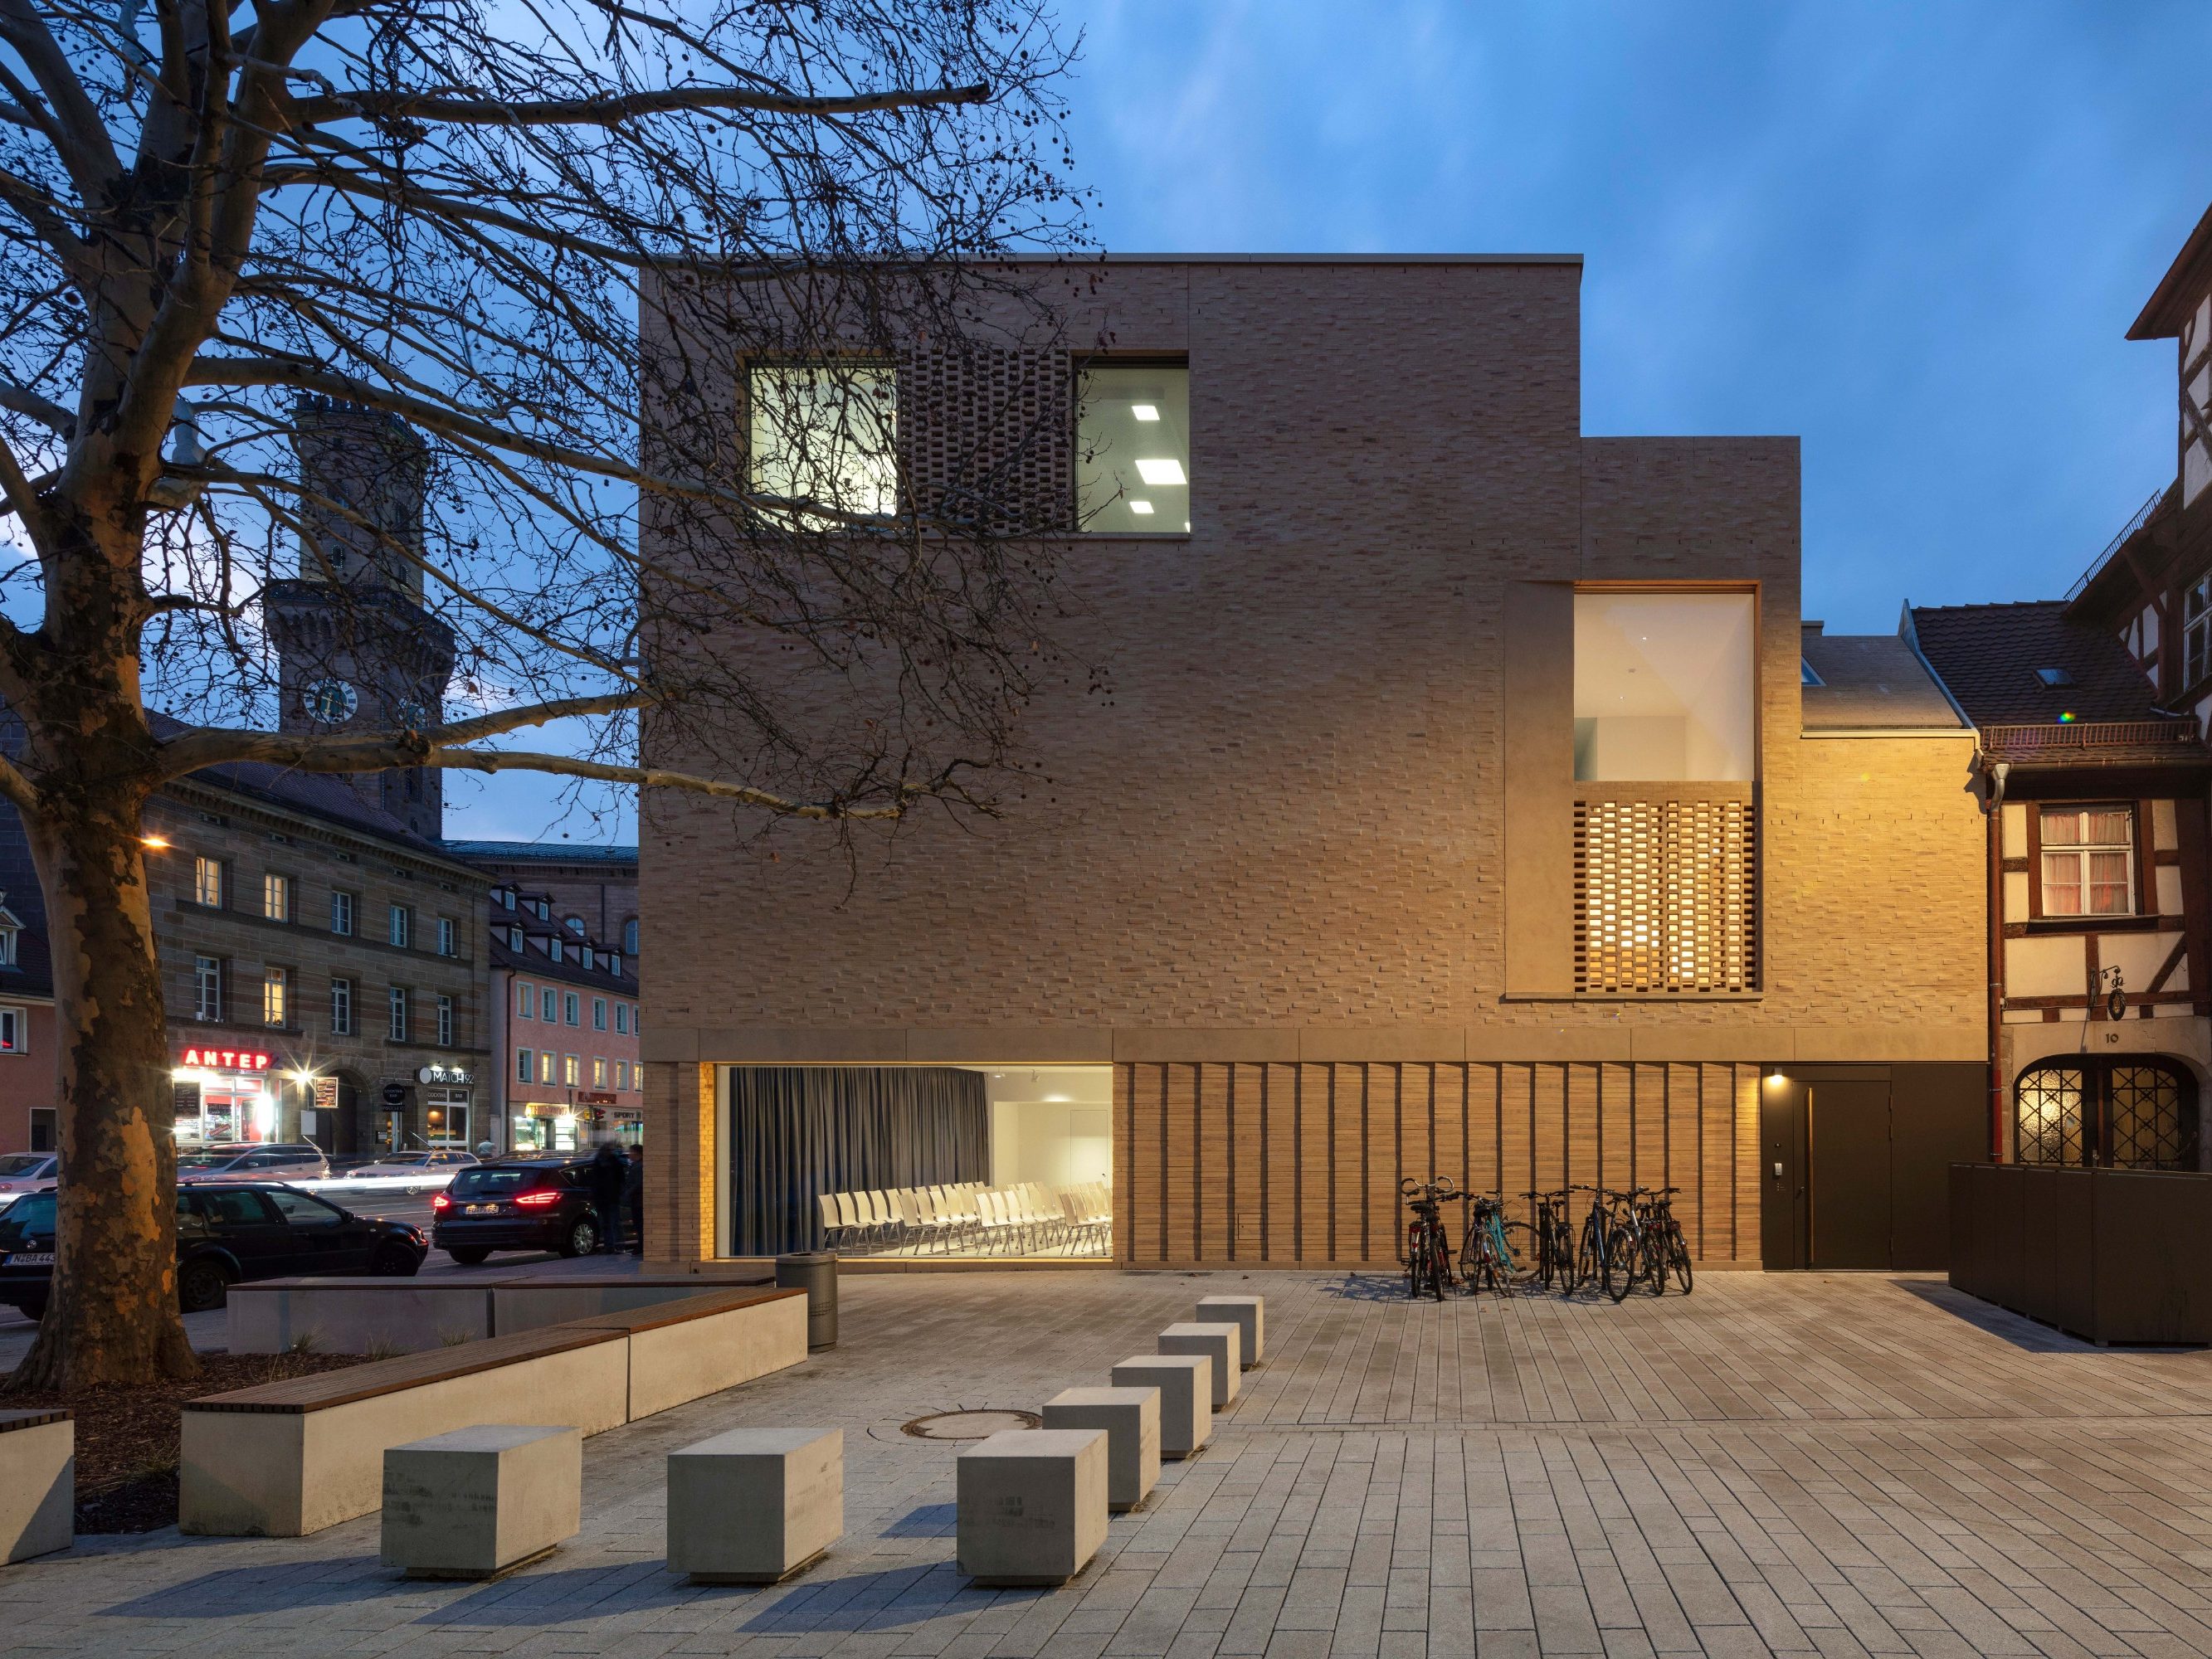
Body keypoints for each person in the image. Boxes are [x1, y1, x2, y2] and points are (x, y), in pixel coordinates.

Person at [587, 1142, 626, 1253]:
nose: (611, 1152)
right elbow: (621, 1180)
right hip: (606, 1198)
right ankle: (612, 1246)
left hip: (608, 1198)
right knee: (609, 1223)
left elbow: (620, 1180)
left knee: (612, 1223)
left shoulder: (607, 1162)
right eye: (609, 1150)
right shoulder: (609, 1163)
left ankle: (615, 1246)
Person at [624, 1147, 645, 1257]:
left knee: (639, 1225)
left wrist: (628, 1193)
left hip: (638, 1201)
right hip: (637, 1200)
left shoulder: (639, 1166)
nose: (629, 1154)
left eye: (631, 1152)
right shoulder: (636, 1165)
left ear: (637, 1153)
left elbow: (638, 1183)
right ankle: (640, 1246)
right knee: (638, 1225)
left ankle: (641, 1246)